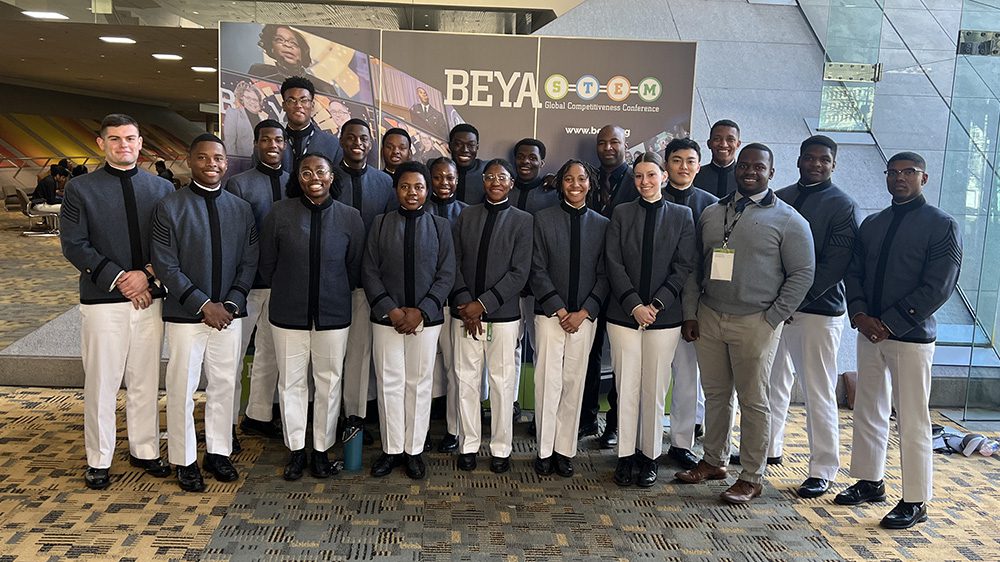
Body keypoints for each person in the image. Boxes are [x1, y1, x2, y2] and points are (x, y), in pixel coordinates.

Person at [675, 143, 814, 505]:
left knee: (753, 401)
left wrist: (773, 317)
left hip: (756, 321)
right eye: (745, 166)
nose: (750, 171)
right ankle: (713, 461)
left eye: (759, 167)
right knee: (716, 395)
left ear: (771, 172)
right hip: (709, 316)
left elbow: (802, 274)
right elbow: (695, 267)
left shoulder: (789, 220)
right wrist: (691, 312)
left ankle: (751, 476)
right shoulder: (712, 212)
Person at [836, 152, 961, 529]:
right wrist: (859, 315)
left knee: (912, 418)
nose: (899, 178)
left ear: (925, 178)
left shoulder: (942, 225)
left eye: (908, 172)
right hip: (869, 332)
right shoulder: (873, 223)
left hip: (911, 336)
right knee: (868, 409)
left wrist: (888, 323)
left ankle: (916, 500)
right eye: (892, 172)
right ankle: (871, 481)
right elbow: (853, 274)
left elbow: (939, 286)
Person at [60, 113, 174, 490]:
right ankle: (99, 458)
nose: (123, 145)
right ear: (101, 144)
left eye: (129, 138)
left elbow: (170, 243)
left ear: (141, 143)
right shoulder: (81, 189)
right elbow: (75, 245)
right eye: (114, 139)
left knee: (145, 379)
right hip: (103, 299)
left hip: (149, 297)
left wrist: (147, 276)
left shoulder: (161, 188)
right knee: (102, 382)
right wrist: (121, 279)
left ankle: (144, 450)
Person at [151, 133, 258, 492]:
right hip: (186, 315)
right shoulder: (170, 206)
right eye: (204, 158)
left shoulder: (240, 209)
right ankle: (183, 460)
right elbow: (166, 265)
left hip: (229, 313)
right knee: (182, 387)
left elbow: (249, 260)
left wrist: (230, 302)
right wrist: (202, 304)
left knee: (225, 384)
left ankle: (218, 452)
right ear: (190, 160)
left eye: (219, 159)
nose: (212, 164)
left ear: (226, 163)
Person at [258, 152, 365, 481]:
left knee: (329, 383)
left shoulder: (350, 217)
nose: (314, 176)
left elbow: (354, 266)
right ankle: (296, 450)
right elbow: (267, 264)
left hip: (333, 314)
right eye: (306, 172)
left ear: (332, 177)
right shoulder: (279, 213)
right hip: (288, 313)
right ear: (298, 178)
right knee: (290, 383)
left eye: (321, 171)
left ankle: (320, 449)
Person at [767, 135, 859, 499]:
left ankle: (823, 468)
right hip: (777, 311)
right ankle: (769, 449)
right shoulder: (782, 197)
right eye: (809, 158)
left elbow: (836, 264)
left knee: (817, 391)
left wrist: (792, 300)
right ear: (799, 160)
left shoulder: (843, 205)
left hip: (818, 312)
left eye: (823, 160)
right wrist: (779, 302)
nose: (815, 164)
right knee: (771, 384)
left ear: (833, 165)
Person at [605, 152, 696, 487]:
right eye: (639, 176)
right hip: (623, 315)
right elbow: (613, 263)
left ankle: (649, 456)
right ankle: (625, 456)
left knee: (654, 390)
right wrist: (634, 305)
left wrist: (655, 305)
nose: (645, 182)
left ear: (663, 177)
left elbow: (683, 267)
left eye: (651, 175)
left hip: (664, 317)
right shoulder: (621, 213)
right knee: (626, 386)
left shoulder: (682, 215)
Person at [364, 161, 456, 480]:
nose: (412, 193)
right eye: (405, 186)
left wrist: (421, 310)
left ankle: (414, 450)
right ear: (396, 190)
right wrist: (392, 309)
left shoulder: (441, 227)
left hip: (425, 321)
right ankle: (392, 450)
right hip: (386, 318)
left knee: (418, 383)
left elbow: (446, 274)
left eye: (418, 187)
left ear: (427, 190)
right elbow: (370, 271)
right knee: (390, 382)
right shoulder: (379, 223)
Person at [451, 158, 533, 473]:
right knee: (467, 381)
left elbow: (519, 272)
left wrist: (482, 304)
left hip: (503, 315)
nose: (495, 181)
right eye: (490, 176)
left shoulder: (523, 221)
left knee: (501, 383)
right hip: (465, 315)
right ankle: (469, 445)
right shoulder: (465, 216)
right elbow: (453, 263)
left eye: (502, 177)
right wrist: (465, 303)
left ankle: (501, 448)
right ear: (483, 182)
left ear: (511, 183)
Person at [530, 159, 609, 478]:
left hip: (585, 317)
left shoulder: (603, 224)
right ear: (560, 183)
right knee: (547, 381)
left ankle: (564, 450)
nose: (575, 184)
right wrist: (561, 310)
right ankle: (544, 450)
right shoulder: (542, 219)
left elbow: (605, 273)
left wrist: (584, 311)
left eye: (582, 178)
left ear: (589, 184)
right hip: (551, 315)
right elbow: (536, 269)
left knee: (574, 383)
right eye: (568, 179)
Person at [225, 119, 289, 442]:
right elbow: (235, 238)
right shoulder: (239, 184)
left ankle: (258, 415)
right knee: (234, 357)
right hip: (248, 284)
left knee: (270, 353)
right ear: (256, 144)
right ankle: (225, 425)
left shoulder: (294, 181)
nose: (273, 146)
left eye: (278, 140)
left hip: (281, 285)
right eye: (266, 140)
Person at [333, 118, 397, 443]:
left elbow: (387, 234)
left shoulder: (385, 183)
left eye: (363, 139)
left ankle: (354, 418)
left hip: (366, 284)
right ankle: (325, 418)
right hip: (329, 281)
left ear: (371, 146)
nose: (357, 143)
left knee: (358, 353)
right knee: (327, 356)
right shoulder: (327, 175)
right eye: (351, 137)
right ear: (341, 140)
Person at [581, 124, 639, 450]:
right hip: (589, 282)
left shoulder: (636, 181)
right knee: (588, 355)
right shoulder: (585, 178)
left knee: (618, 360)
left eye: (614, 141)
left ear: (624, 144)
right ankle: (586, 418)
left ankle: (614, 424)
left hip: (621, 285)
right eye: (601, 142)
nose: (607, 147)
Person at [662, 138, 718, 471]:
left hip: (695, 306)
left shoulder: (712, 206)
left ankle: (681, 443)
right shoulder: (651, 197)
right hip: (655, 304)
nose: (683, 166)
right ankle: (648, 440)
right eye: (677, 160)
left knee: (686, 377)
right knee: (652, 380)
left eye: (690, 161)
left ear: (699, 165)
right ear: (666, 164)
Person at [510, 138, 559, 424]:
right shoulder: (504, 188)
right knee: (512, 348)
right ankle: (512, 403)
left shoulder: (552, 193)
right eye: (520, 157)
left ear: (542, 161)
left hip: (542, 287)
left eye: (532, 158)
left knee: (542, 350)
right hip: (509, 287)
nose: (526, 162)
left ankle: (543, 413)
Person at [425, 157, 467, 454]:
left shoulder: (467, 214)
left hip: (456, 305)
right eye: (438, 177)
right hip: (424, 306)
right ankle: (420, 429)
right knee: (422, 371)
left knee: (456, 369)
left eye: (449, 178)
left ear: (457, 180)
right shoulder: (416, 210)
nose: (444, 183)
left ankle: (454, 430)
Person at [280, 76, 343, 192]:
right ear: (284, 106)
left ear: (312, 106)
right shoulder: (273, 142)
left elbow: (338, 187)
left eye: (304, 100)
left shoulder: (332, 144)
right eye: (291, 100)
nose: (298, 105)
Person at [249, 24, 341, 97]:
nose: (288, 45)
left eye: (293, 43)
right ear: (272, 48)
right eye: (280, 40)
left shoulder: (324, 88)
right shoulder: (259, 72)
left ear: (302, 52)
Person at [693, 119, 741, 198]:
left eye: (730, 140)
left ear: (738, 144)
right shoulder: (695, 175)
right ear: (709, 144)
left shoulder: (744, 177)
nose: (723, 144)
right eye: (717, 139)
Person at [448, 124, 487, 205]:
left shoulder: (487, 171)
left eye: (471, 145)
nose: (465, 150)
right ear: (450, 145)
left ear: (477, 147)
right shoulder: (436, 169)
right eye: (458, 144)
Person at [223, 81, 264, 158]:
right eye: (248, 98)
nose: (252, 102)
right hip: (241, 164)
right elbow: (229, 144)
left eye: (255, 99)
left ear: (259, 102)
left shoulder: (263, 121)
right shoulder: (233, 114)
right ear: (242, 98)